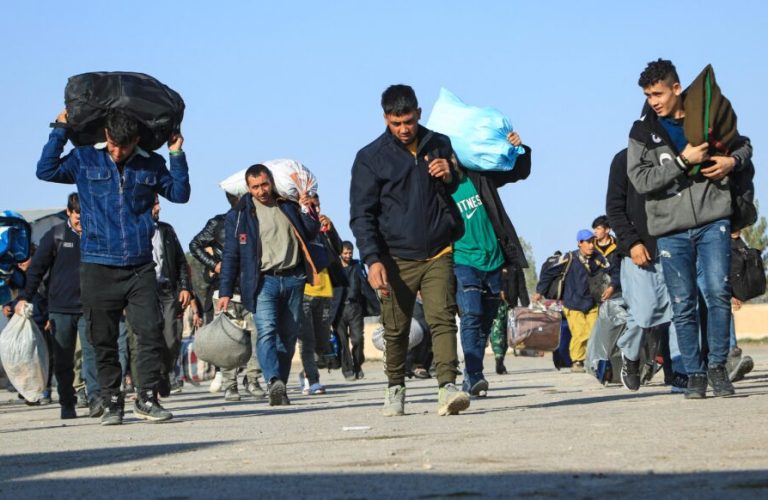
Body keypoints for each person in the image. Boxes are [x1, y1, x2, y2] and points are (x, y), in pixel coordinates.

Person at [36, 108, 190, 424]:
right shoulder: (84, 160)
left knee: (149, 334)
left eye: (126, 146)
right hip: (97, 265)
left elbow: (180, 193)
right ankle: (112, 401)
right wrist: (60, 129)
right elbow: (46, 169)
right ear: (106, 137)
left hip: (139, 265)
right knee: (102, 339)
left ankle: (147, 398)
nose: (119, 153)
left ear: (136, 140)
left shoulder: (151, 163)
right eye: (114, 145)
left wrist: (176, 153)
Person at [627, 59, 753, 398]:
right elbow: (640, 181)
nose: (653, 100)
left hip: (714, 220)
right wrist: (683, 161)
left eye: (658, 93)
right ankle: (694, 373)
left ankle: (717, 367)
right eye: (647, 95)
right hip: (670, 229)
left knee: (717, 294)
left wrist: (732, 161)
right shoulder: (642, 131)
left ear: (676, 88)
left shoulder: (706, 117)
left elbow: (744, 146)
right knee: (682, 303)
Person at [350, 84, 470, 416]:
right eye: (396, 123)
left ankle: (447, 387)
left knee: (442, 319)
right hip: (394, 257)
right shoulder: (370, 158)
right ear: (385, 119)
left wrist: (449, 173)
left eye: (408, 121)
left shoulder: (439, 143)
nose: (404, 129)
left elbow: (458, 177)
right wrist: (372, 260)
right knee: (396, 327)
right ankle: (395, 388)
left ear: (418, 113)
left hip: (438, 250)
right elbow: (362, 215)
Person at [217, 164, 321, 406]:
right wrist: (225, 291)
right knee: (266, 331)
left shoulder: (288, 205)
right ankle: (273, 378)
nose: (261, 191)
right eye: (255, 187)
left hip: (294, 278)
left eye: (264, 184)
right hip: (263, 281)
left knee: (288, 336)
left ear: (272, 182)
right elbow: (231, 255)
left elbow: (311, 231)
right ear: (248, 188)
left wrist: (308, 208)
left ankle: (279, 385)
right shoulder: (240, 215)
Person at [451, 131, 532, 397]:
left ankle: (471, 373)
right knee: (471, 316)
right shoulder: (438, 191)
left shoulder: (479, 179)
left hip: (494, 261)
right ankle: (474, 374)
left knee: (486, 321)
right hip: (463, 261)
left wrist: (520, 149)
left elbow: (516, 172)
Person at [14, 194, 100, 418]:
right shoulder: (56, 236)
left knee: (91, 355)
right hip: (60, 309)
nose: (82, 223)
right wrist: (24, 297)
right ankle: (67, 402)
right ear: (69, 212)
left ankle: (95, 399)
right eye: (78, 218)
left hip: (89, 307)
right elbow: (36, 270)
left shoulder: (97, 235)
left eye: (86, 218)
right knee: (63, 359)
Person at [606, 149, 684, 392]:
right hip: (640, 250)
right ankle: (630, 356)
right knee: (644, 314)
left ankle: (681, 371)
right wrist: (631, 243)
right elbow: (614, 207)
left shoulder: (680, 155)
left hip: (676, 244)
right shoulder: (623, 159)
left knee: (680, 310)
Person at [189, 193, 266, 400]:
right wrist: (214, 264)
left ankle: (253, 380)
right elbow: (194, 245)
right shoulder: (218, 222)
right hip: (224, 291)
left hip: (253, 288)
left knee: (256, 335)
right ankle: (230, 384)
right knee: (227, 340)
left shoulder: (260, 220)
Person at [125, 197, 192, 395]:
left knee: (171, 340)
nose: (159, 207)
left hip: (166, 292)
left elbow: (181, 261)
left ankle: (164, 371)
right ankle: (145, 387)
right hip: (140, 293)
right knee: (142, 340)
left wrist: (186, 288)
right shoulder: (129, 230)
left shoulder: (166, 230)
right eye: (154, 203)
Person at [533, 230, 612, 371]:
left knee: (593, 333)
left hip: (592, 304)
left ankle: (590, 360)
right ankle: (577, 361)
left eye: (592, 242)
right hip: (573, 304)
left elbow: (611, 271)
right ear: (579, 243)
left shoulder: (598, 259)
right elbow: (548, 272)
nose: (591, 245)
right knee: (580, 333)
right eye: (587, 242)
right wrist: (540, 291)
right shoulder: (568, 258)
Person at [333, 241, 369, 380]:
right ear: (340, 253)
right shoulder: (334, 268)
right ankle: (347, 369)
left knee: (358, 339)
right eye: (345, 253)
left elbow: (365, 284)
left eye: (350, 253)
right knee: (342, 341)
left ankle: (358, 365)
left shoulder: (357, 265)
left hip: (355, 308)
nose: (348, 255)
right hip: (338, 309)